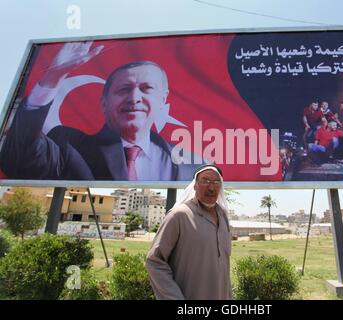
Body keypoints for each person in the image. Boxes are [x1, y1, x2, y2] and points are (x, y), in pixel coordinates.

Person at [0, 41, 197, 181]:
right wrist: (52, 78)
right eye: (124, 89)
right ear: (104, 103)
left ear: (163, 99)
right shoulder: (69, 145)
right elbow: (19, 156)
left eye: (146, 88)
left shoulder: (194, 163)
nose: (134, 98)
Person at [146, 164, 232, 300]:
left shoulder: (223, 218)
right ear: (195, 185)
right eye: (205, 181)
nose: (211, 187)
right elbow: (155, 261)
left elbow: (224, 267)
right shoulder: (179, 215)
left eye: (216, 182)